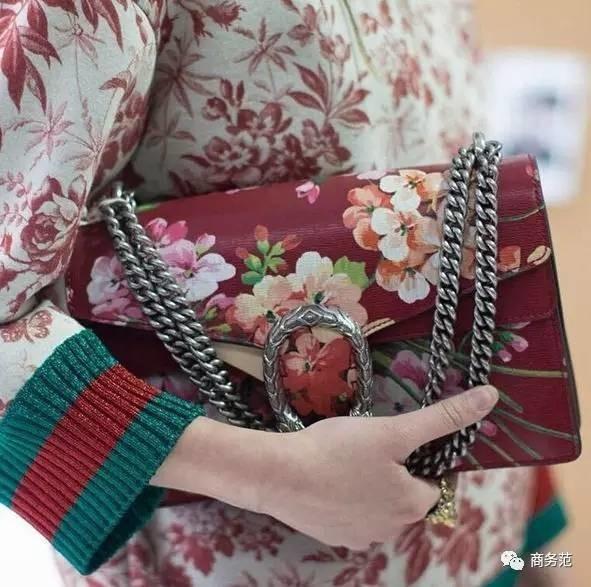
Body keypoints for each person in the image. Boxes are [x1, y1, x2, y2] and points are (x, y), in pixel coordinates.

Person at [0, 1, 567, 585]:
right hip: (249, 560)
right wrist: (267, 475)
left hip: (491, 520)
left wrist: (534, 528)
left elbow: (466, 197)